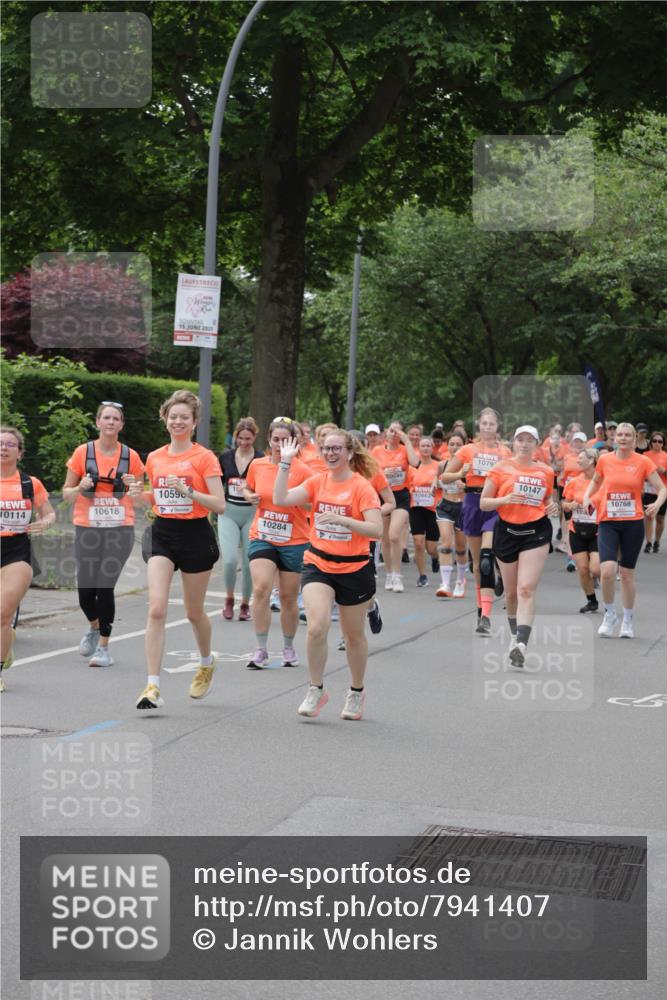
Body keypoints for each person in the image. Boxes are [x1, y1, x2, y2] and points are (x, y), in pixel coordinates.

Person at [273, 429, 382, 721]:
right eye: (326, 449)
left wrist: (345, 521)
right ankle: (315, 688)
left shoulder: (361, 487)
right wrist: (285, 463)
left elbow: (376, 530)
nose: (330, 453)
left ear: (349, 452)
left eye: (336, 448)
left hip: (354, 567)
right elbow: (281, 498)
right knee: (316, 627)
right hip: (318, 563)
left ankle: (356, 691)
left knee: (353, 635)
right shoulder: (317, 481)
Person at [136, 391, 225, 709]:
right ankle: (152, 686)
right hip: (162, 533)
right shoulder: (154, 457)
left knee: (193, 612)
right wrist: (139, 494)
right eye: (173, 416)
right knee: (156, 609)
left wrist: (190, 492)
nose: (178, 422)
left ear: (194, 422)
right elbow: (155, 499)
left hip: (195, 535)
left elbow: (220, 504)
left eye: (184, 417)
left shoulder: (204, 457)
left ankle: (206, 663)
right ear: (165, 419)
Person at [63, 402, 145, 667]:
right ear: (98, 422)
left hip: (119, 530)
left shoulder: (131, 457)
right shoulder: (82, 452)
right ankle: (94, 627)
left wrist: (134, 487)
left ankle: (104, 648)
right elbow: (66, 494)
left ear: (121, 424)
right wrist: (80, 487)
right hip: (87, 529)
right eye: (106, 418)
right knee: (86, 592)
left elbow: (141, 498)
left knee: (104, 586)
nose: (111, 422)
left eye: (116, 419)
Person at [480, 426, 558, 667]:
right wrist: (505, 499)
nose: (524, 444)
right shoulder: (500, 468)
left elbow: (548, 498)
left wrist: (552, 505)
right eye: (520, 440)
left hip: (536, 531)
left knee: (526, 589)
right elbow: (484, 503)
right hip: (507, 532)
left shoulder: (546, 471)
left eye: (529, 440)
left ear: (536, 444)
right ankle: (514, 635)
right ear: (513, 443)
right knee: (512, 593)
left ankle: (522, 644)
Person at [582, 422, 667, 638]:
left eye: (627, 435)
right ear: (615, 438)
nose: (622, 438)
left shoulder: (643, 461)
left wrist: (657, 504)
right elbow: (595, 481)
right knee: (607, 570)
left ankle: (628, 619)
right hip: (608, 521)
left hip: (633, 523)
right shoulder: (605, 460)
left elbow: (662, 488)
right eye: (619, 434)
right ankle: (610, 614)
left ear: (634, 438)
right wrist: (587, 496)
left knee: (627, 574)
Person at [243, 417, 312, 668]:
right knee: (261, 589)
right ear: (269, 440)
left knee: (288, 597)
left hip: (294, 539)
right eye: (275, 440)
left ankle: (288, 647)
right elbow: (247, 487)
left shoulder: (303, 471)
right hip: (262, 535)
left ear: (293, 443)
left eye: (285, 441)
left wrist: (296, 500)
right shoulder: (257, 465)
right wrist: (249, 495)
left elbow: (312, 503)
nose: (279, 445)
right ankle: (261, 648)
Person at [441, 408, 511, 635]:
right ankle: (481, 611)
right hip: (472, 502)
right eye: (484, 423)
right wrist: (461, 473)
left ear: (498, 426)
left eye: (492, 424)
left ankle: (487, 616)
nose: (488, 427)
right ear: (478, 426)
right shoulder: (467, 450)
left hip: (494, 505)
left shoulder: (505, 452)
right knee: (478, 563)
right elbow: (445, 477)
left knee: (486, 558)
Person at [1, 427, 55, 692]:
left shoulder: (29, 484)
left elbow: (49, 513)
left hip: (17, 551)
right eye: (0, 443)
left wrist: (44, 523)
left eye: (10, 444)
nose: (3, 448)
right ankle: (6, 641)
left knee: (3, 612)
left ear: (20, 453)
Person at [218, 417, 263, 621]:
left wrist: (255, 494)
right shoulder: (225, 458)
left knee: (248, 562)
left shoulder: (260, 460)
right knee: (229, 560)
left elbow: (265, 486)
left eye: (248, 439)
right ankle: (229, 599)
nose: (244, 442)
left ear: (254, 438)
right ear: (236, 437)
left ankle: (245, 604)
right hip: (229, 512)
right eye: (241, 438)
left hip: (251, 514)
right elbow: (217, 484)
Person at [371, 420, 418, 593]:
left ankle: (398, 575)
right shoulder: (377, 451)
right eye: (392, 430)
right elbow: (370, 471)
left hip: (400, 497)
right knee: (384, 538)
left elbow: (415, 462)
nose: (394, 434)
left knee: (394, 535)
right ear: (386, 432)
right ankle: (390, 573)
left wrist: (406, 441)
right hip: (383, 496)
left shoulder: (405, 450)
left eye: (398, 431)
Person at [561, 449, 601, 612]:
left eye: (581, 458)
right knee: (583, 570)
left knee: (595, 569)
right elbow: (564, 504)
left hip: (598, 530)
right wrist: (569, 505)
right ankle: (592, 601)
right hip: (577, 529)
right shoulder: (574, 482)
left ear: (591, 460)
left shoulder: (603, 482)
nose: (578, 461)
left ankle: (606, 582)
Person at [435, 432, 467, 598]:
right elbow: (436, 480)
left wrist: (465, 487)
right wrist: (434, 484)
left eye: (458, 444)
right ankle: (445, 584)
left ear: (464, 446)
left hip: (463, 508)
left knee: (461, 548)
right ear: (447, 446)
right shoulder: (442, 465)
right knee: (446, 543)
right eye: (452, 444)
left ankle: (460, 580)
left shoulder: (468, 467)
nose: (455, 447)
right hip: (445, 507)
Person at [407, 435, 441, 587]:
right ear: (418, 448)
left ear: (432, 448)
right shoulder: (412, 467)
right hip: (416, 508)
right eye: (423, 446)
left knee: (431, 547)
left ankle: (435, 557)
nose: (426, 448)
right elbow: (407, 486)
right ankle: (422, 575)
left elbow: (445, 484)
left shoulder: (438, 466)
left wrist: (438, 485)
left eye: (428, 445)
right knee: (418, 542)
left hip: (433, 509)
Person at [642, 430, 667, 553]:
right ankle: (649, 542)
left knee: (660, 518)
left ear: (663, 443)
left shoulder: (666, 456)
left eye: (660, 441)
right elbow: (640, 472)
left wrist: (664, 471)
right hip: (648, 490)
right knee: (648, 516)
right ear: (651, 442)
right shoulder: (645, 455)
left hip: (662, 491)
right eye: (654, 441)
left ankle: (657, 541)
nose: (657, 443)